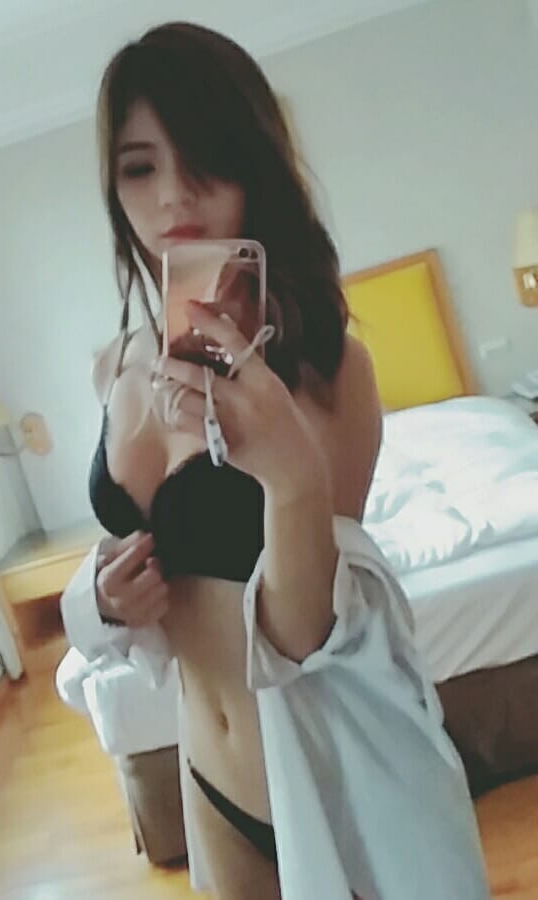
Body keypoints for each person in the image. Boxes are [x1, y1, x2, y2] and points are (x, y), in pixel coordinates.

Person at [61, 21, 490, 900]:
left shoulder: (331, 369)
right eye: (139, 167)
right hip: (205, 773)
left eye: (205, 158)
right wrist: (101, 598)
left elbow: (307, 634)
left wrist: (289, 473)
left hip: (336, 776)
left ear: (254, 164)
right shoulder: (114, 367)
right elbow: (139, 575)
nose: (173, 195)